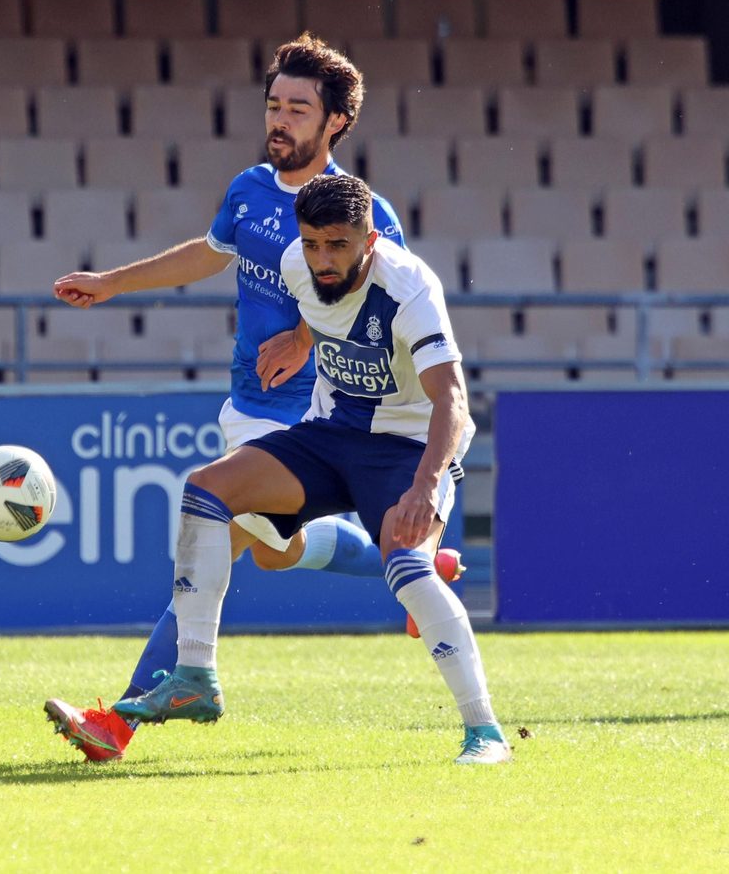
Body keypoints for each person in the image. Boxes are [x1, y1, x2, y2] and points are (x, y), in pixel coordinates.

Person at [45, 34, 459, 762]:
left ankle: (119, 722)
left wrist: (304, 334)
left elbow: (380, 295)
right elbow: (209, 253)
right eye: (274, 104)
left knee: (221, 536)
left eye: (299, 108)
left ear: (334, 122)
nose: (280, 119)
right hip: (247, 401)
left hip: (317, 411)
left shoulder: (364, 210)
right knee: (276, 551)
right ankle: (420, 560)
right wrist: (112, 282)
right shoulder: (249, 188)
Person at [115, 173, 510, 764]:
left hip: (407, 445)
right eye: (312, 244)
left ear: (370, 240)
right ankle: (195, 677)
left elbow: (452, 400)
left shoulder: (409, 287)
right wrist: (301, 340)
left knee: (405, 565)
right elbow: (318, 308)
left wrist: (426, 486)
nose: (323, 260)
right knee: (206, 489)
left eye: (338, 246)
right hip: (330, 434)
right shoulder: (297, 264)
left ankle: (486, 734)